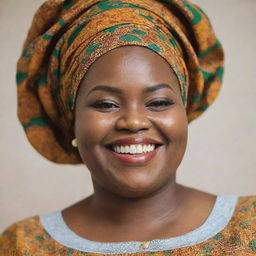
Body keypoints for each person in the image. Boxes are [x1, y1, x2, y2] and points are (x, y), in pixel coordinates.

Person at [0, 0, 255, 255]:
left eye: (159, 102)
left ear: (184, 111)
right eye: (105, 104)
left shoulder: (250, 226)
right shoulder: (23, 246)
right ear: (72, 119)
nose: (134, 122)